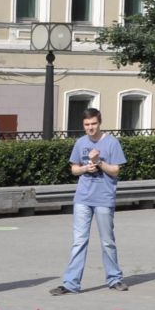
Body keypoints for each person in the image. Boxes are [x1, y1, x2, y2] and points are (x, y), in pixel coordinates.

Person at [51, 107, 126, 295]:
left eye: (93, 124)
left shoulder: (111, 142)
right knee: (79, 241)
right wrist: (86, 168)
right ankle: (71, 283)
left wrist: (99, 162)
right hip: (83, 198)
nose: (90, 128)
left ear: (99, 123)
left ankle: (114, 278)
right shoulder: (80, 142)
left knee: (107, 241)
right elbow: (74, 169)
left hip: (104, 198)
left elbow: (116, 170)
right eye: (87, 125)